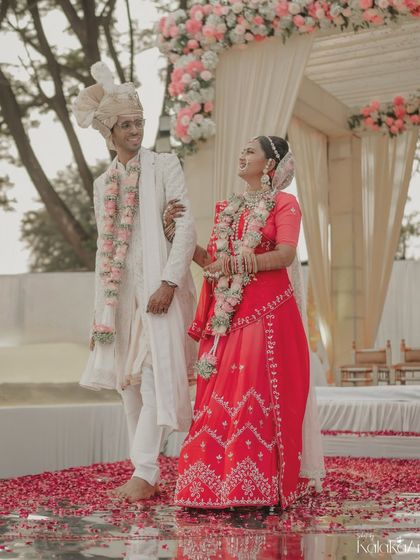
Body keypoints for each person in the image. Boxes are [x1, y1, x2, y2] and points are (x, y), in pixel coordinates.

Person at [164, 136, 324, 508]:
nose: (242, 155)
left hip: (267, 315)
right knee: (217, 399)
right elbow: (212, 264)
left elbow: (284, 255)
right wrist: (176, 237)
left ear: (270, 164)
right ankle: (210, 486)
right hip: (227, 318)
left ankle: (254, 487)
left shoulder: (284, 203)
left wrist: (237, 264)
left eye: (250, 151)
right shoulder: (229, 208)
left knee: (252, 399)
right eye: (242, 150)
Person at [72, 62, 197, 501]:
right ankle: (142, 472)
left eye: (139, 122)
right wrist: (98, 315)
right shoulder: (102, 182)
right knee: (127, 388)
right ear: (108, 132)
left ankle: (144, 474)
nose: (135, 130)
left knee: (150, 379)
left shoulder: (164, 165)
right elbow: (104, 250)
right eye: (126, 125)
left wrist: (169, 282)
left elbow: (186, 226)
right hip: (120, 299)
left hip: (158, 293)